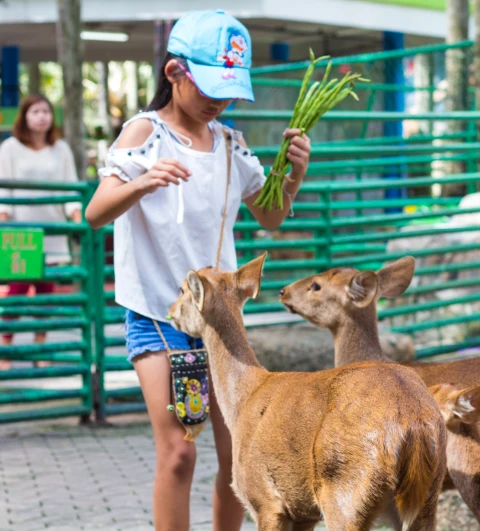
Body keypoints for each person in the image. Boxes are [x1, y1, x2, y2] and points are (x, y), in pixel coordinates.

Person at [84, 11, 311, 531]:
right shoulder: (146, 132)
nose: (219, 101)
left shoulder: (232, 144)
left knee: (239, 457)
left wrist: (293, 174)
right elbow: (96, 213)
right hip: (159, 318)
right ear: (174, 73)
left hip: (220, 325)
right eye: (210, 86)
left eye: (229, 90)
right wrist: (142, 183)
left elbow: (270, 216)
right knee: (179, 454)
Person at [0, 94, 82, 370]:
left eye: (46, 111)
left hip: (54, 232)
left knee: (48, 292)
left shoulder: (61, 149)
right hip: (21, 233)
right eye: (35, 111)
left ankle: (41, 347)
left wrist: (75, 217)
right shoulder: (10, 148)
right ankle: (5, 347)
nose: (42, 116)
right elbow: (4, 189)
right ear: (24, 116)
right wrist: (4, 222)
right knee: (18, 290)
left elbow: (71, 187)